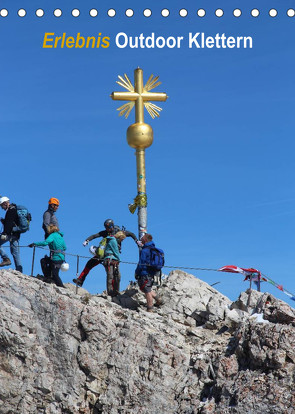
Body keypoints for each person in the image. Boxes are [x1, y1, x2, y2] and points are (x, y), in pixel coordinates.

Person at [73, 219, 141, 287]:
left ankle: (114, 289)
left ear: (112, 226)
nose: (106, 229)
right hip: (104, 254)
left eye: (107, 227)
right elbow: (95, 235)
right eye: (105, 227)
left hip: (113, 255)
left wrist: (137, 241)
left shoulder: (119, 232)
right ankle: (80, 280)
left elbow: (131, 234)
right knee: (89, 263)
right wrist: (87, 240)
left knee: (113, 273)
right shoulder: (105, 232)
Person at [135, 233, 163, 312]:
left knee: (146, 290)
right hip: (152, 272)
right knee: (147, 288)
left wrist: (137, 272)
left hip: (145, 272)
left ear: (145, 240)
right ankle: (158, 299)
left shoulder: (145, 250)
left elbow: (141, 263)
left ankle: (150, 308)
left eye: (142, 238)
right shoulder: (154, 249)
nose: (141, 239)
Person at [0, 196, 23, 272]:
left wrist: (5, 233)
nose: (1, 207)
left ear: (5, 203)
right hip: (16, 234)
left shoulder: (10, 210)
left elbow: (9, 223)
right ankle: (19, 270)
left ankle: (5, 258)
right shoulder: (15, 209)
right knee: (15, 252)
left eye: (1, 205)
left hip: (10, 234)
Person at [103, 231, 126, 296]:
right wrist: (119, 260)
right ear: (120, 237)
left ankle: (115, 291)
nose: (122, 241)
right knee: (112, 276)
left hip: (112, 259)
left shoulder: (112, 240)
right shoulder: (113, 241)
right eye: (122, 239)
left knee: (115, 276)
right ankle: (111, 292)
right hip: (111, 259)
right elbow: (116, 251)